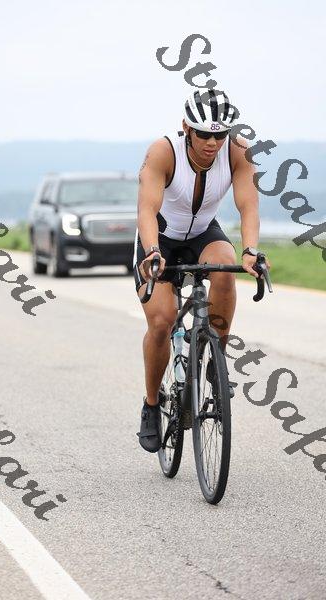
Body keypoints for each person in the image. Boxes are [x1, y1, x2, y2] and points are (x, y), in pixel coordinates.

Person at [133, 88, 271, 453]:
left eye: (220, 134)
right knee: (162, 322)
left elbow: (249, 206)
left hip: (203, 234)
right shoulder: (163, 151)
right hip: (160, 238)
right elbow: (147, 209)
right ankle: (151, 404)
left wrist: (251, 251)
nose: (212, 143)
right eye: (204, 134)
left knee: (225, 268)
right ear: (186, 128)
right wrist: (151, 252)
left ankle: (216, 360)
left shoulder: (237, 152)